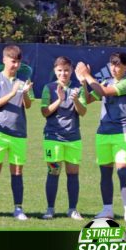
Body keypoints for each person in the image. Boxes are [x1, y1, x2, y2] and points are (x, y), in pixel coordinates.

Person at [75, 52, 126, 223]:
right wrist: (83, 82)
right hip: (103, 133)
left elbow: (103, 92)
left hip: (123, 133)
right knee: (105, 173)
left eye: (118, 65)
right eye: (112, 64)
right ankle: (107, 209)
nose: (114, 68)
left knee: (123, 171)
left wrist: (87, 75)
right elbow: (87, 99)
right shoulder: (105, 81)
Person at [0, 45, 34, 220]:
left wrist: (25, 94)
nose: (15, 65)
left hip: (19, 132)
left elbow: (28, 105)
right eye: (13, 61)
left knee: (18, 171)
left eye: (18, 62)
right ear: (4, 60)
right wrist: (13, 93)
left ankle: (18, 209)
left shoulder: (24, 81)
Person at [40, 56, 87, 220]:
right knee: (53, 172)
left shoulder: (78, 88)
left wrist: (75, 100)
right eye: (60, 70)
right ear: (55, 71)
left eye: (66, 70)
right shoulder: (49, 88)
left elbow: (83, 112)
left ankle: (72, 209)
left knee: (73, 174)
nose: (63, 73)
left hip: (73, 138)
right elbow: (44, 112)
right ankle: (50, 209)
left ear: (71, 70)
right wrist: (59, 100)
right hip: (53, 137)